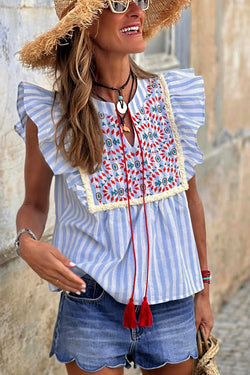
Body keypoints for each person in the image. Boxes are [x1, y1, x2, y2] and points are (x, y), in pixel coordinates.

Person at [15, 1, 214, 374]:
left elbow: (190, 201)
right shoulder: (52, 116)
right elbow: (34, 205)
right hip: (90, 301)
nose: (137, 10)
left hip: (172, 297)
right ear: (86, 23)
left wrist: (203, 291)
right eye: (119, 3)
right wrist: (27, 243)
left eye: (141, 0)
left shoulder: (171, 100)